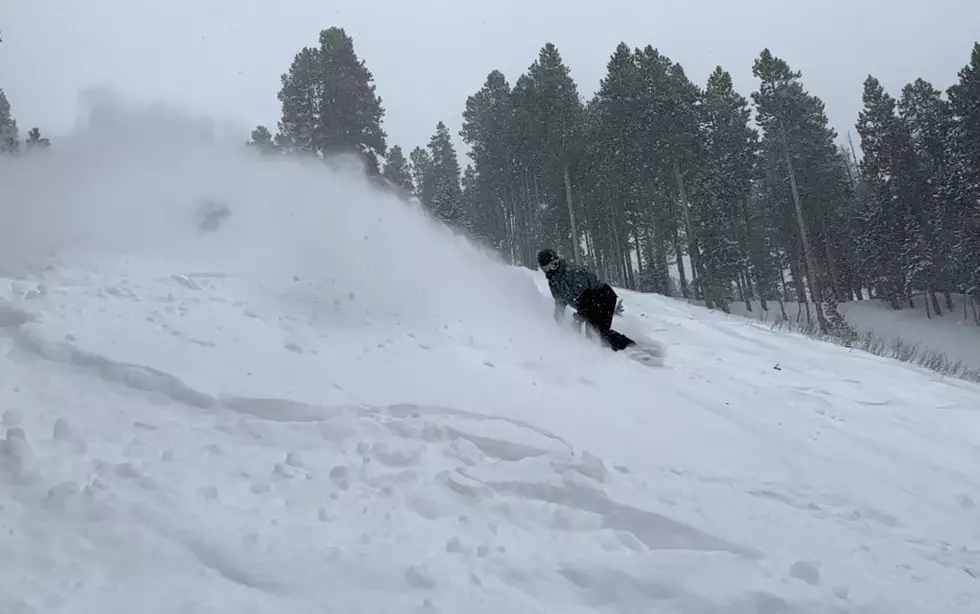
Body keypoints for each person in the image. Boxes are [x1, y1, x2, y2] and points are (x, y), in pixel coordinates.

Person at [537, 248, 635, 351]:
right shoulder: (553, 282)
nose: (546, 271)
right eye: (544, 268)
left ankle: (629, 347)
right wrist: (558, 322)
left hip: (602, 297)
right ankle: (616, 349)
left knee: (596, 333)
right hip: (589, 304)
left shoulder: (573, 273)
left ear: (554, 263)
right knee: (594, 336)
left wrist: (578, 318)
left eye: (548, 267)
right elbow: (559, 303)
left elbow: (587, 297)